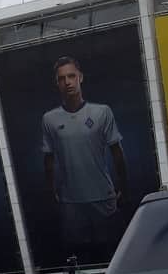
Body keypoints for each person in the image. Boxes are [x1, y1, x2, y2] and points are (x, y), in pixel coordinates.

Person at [41, 55, 128, 261]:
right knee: (80, 258)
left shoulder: (101, 112)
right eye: (62, 78)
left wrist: (123, 187)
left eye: (71, 76)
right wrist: (51, 192)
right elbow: (48, 160)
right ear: (57, 83)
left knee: (113, 255)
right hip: (71, 202)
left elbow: (117, 152)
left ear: (80, 77)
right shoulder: (49, 119)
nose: (67, 82)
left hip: (103, 198)